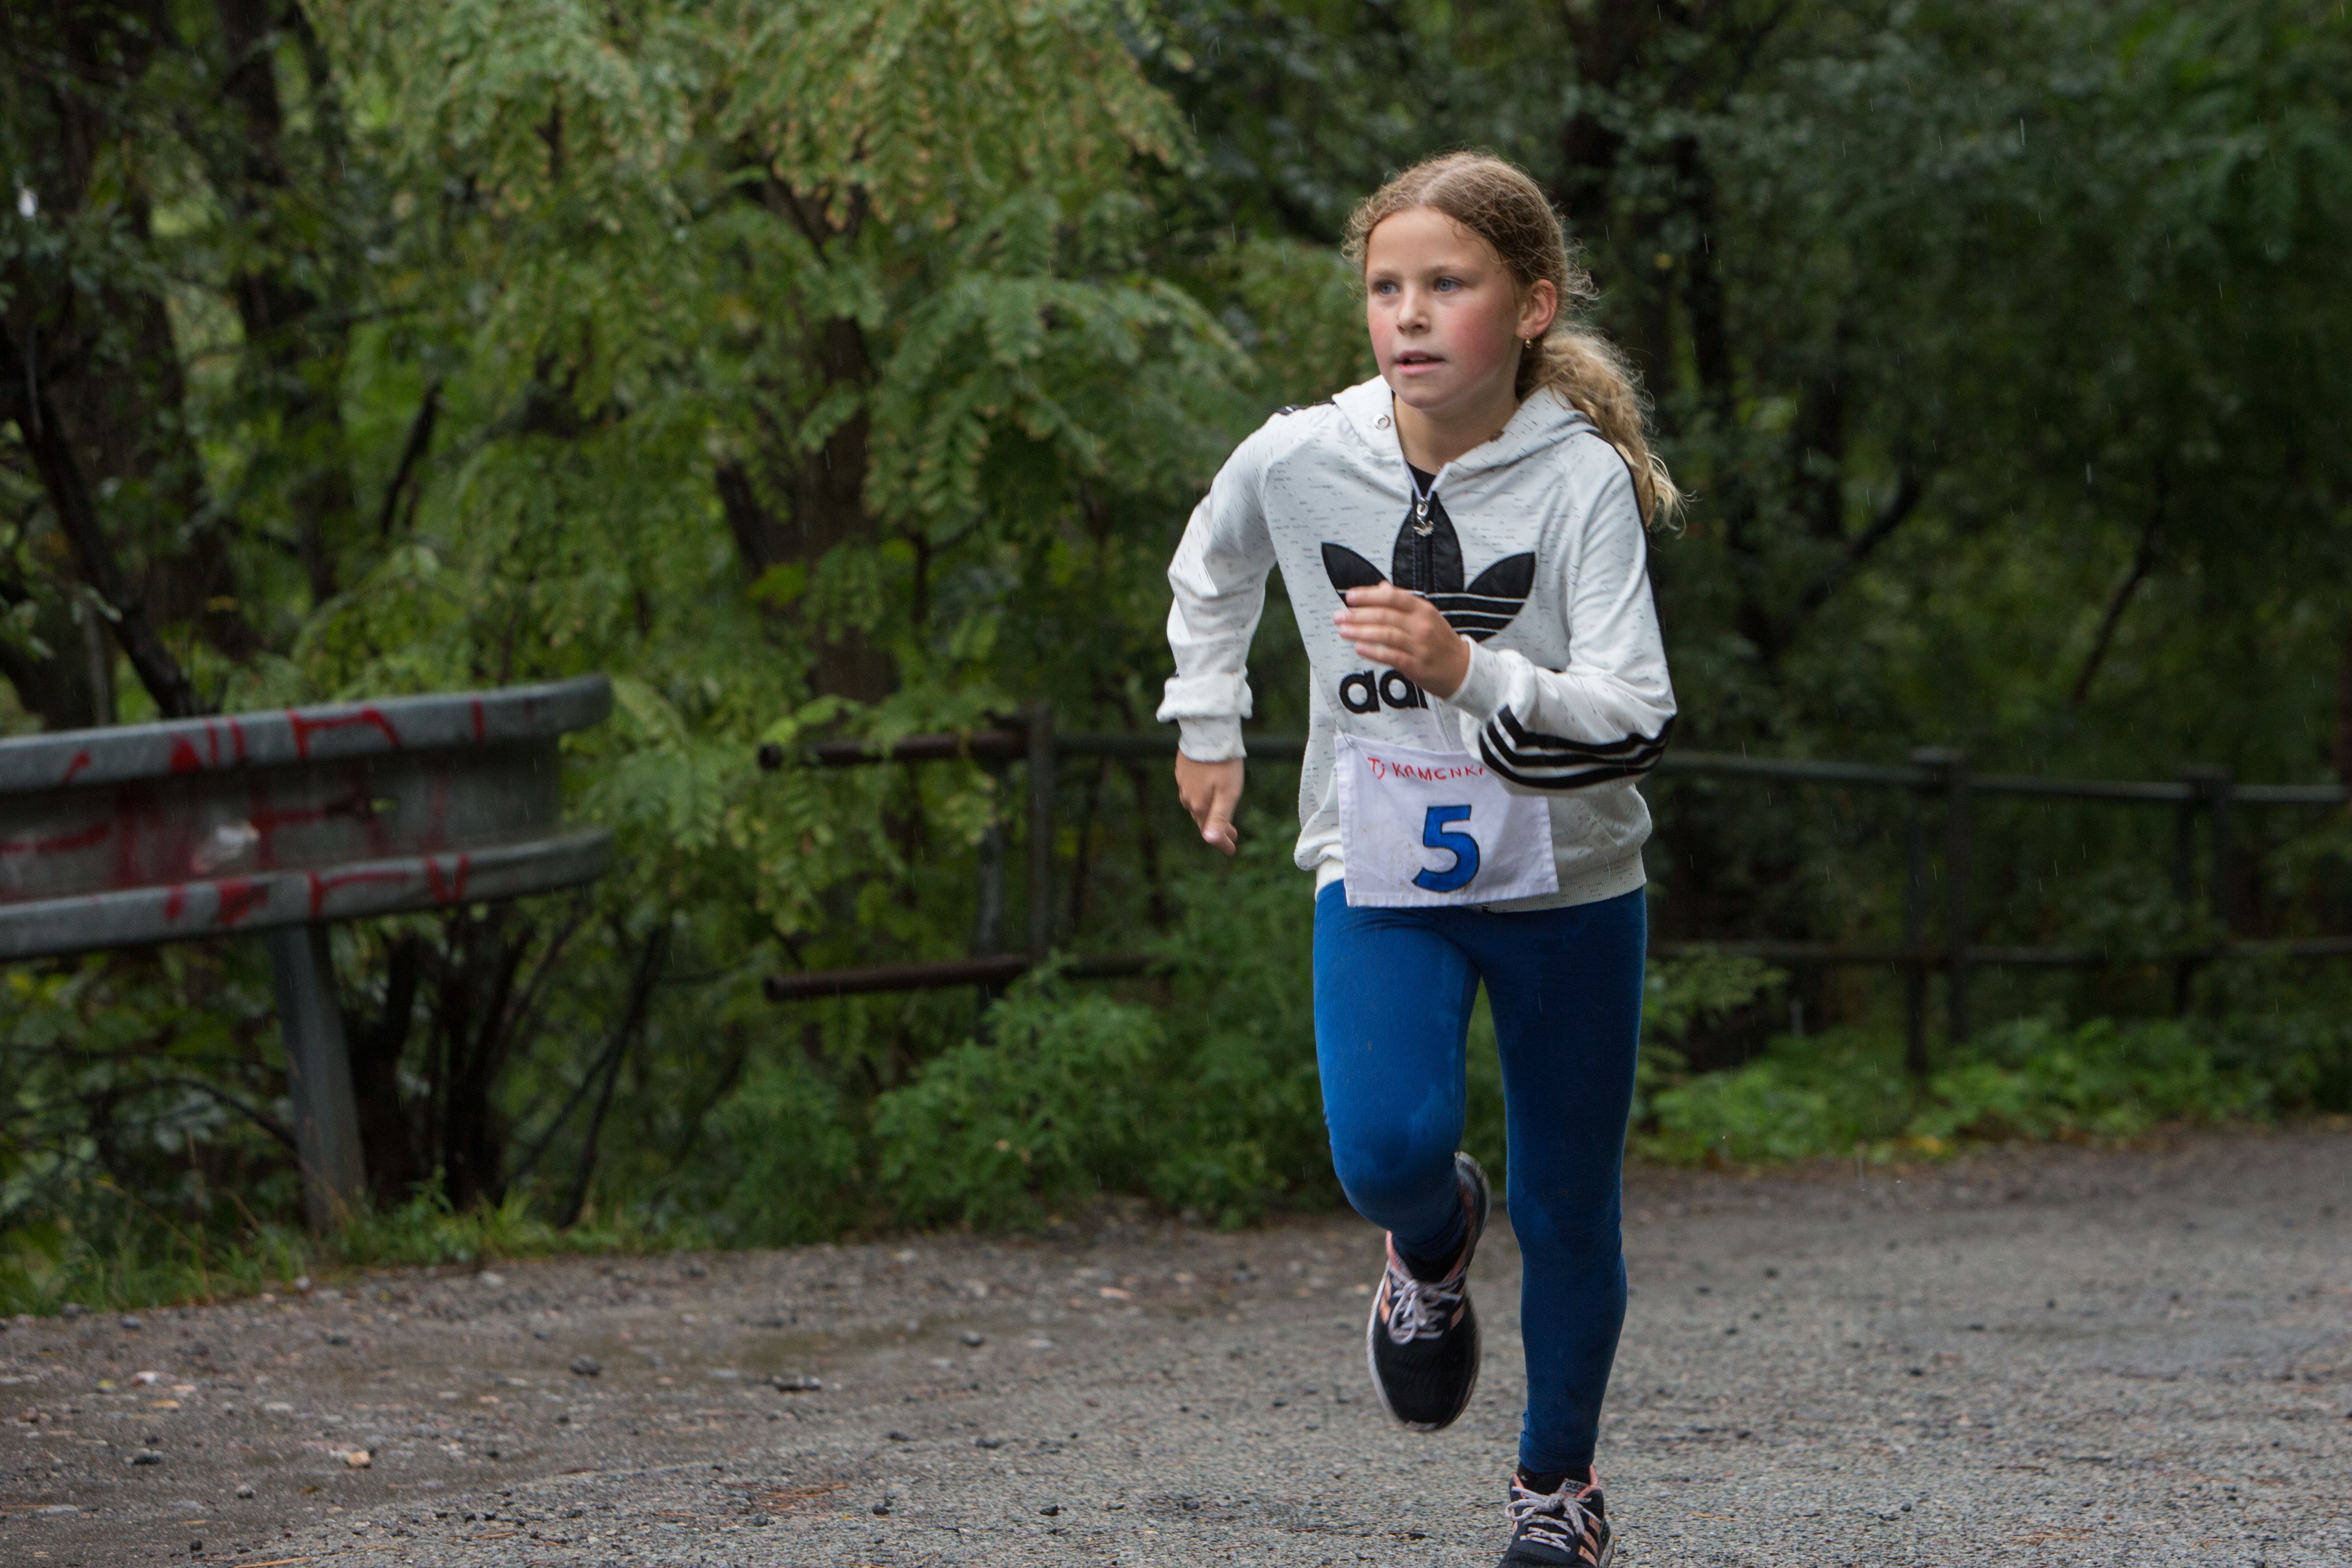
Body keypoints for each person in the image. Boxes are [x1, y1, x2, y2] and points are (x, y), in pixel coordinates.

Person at [1157, 150, 1678, 1567]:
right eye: (1386, 286)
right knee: (1384, 1152)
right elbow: (1212, 566)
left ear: (1530, 306)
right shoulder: (1298, 456)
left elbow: (1634, 713)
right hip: (1381, 868)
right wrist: (1208, 721)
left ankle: (1555, 1490)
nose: (1409, 313)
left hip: (1571, 887)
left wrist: (1469, 670)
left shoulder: (1578, 484)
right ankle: (1430, 1240)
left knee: (1567, 1209)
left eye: (1448, 284)